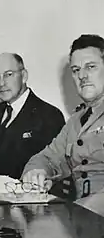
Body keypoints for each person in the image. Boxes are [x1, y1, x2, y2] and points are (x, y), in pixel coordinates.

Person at [22, 34, 104, 215]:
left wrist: (82, 211)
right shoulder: (77, 121)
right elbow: (47, 157)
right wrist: (36, 172)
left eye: (91, 67)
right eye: (76, 70)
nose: (82, 76)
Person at [0, 53, 64, 178]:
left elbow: (53, 168)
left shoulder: (49, 116)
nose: (1, 83)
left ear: (24, 76)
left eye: (8, 75)